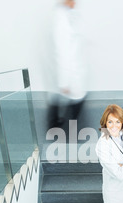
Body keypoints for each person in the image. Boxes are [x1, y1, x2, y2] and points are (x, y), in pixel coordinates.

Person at [47, 0, 87, 130]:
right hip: (69, 72)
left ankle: (58, 126)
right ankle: (62, 131)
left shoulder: (67, 14)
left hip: (72, 70)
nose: (76, 2)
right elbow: (62, 52)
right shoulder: (61, 20)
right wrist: (63, 82)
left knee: (69, 101)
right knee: (76, 100)